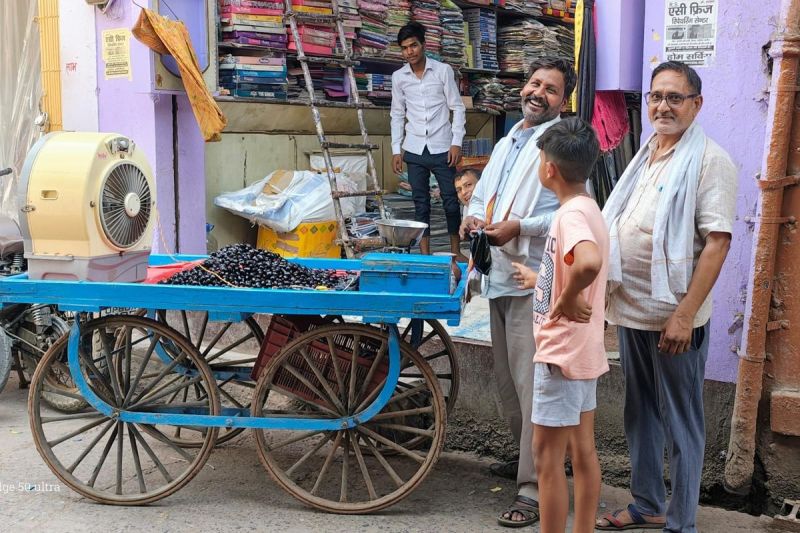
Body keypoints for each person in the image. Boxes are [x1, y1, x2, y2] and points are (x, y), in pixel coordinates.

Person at [596, 61, 738, 533]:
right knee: (639, 412)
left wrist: (684, 314)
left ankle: (682, 523)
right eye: (656, 96)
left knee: (681, 422)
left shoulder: (710, 160)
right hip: (632, 308)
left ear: (696, 104)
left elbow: (717, 243)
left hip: (676, 317)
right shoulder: (647, 152)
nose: (663, 106)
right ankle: (647, 504)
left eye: (675, 97)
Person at [460, 57, 577, 527]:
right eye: (534, 83)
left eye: (550, 89)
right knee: (508, 382)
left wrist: (521, 227)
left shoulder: (561, 143)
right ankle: (527, 460)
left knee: (534, 388)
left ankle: (534, 487)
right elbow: (482, 192)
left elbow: (575, 210)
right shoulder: (510, 138)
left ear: (563, 100)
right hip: (499, 274)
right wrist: (472, 216)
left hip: (534, 279)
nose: (538, 93)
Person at [511, 117, 608, 533]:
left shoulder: (569, 216)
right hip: (582, 351)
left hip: (560, 354)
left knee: (546, 459)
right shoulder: (589, 207)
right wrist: (545, 282)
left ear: (549, 169)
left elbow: (587, 263)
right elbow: (576, 267)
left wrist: (566, 298)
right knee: (582, 452)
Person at [391, 21, 466, 260]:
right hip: (414, 148)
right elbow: (397, 114)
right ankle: (425, 255)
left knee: (451, 201)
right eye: (404, 48)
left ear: (423, 45)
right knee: (420, 203)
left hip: (443, 147)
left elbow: (457, 107)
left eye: (413, 45)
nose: (409, 52)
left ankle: (455, 252)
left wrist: (456, 142)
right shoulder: (398, 77)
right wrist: (396, 149)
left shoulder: (443, 71)